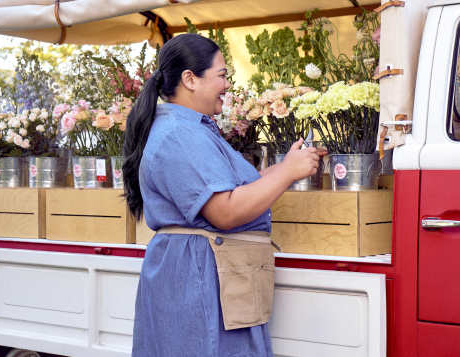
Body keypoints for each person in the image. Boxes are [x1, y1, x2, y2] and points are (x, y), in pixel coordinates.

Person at [122, 34, 322, 356]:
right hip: (199, 278)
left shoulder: (192, 128)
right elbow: (224, 211)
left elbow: (242, 189)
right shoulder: (179, 134)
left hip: (209, 274)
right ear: (190, 79)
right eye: (222, 75)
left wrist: (288, 166)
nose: (227, 85)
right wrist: (287, 172)